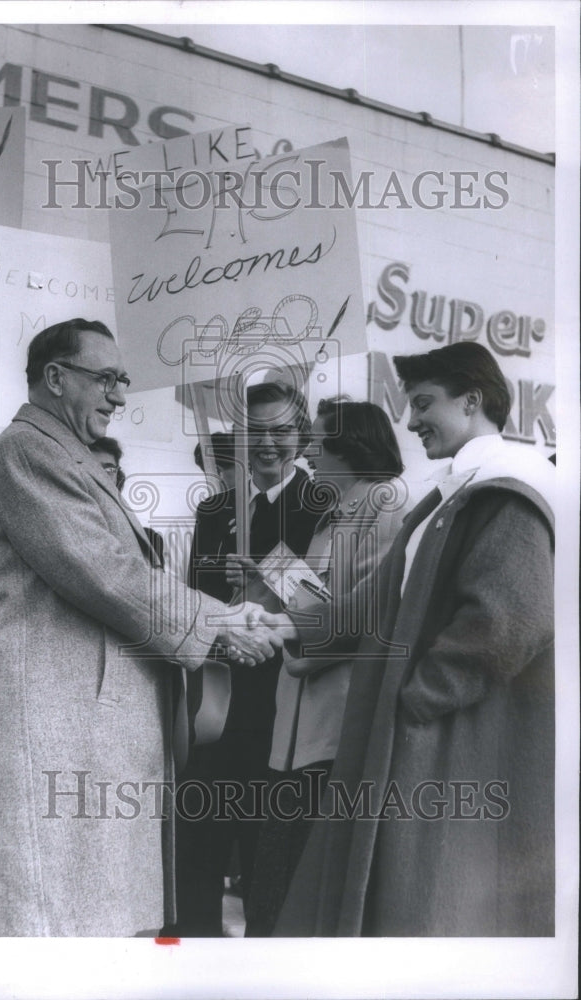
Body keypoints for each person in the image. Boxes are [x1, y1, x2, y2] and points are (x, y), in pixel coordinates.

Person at [0, 317, 281, 937]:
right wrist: (221, 619)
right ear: (55, 378)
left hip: (115, 716)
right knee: (53, 919)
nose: (121, 394)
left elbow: (121, 574)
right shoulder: (30, 451)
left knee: (85, 913)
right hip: (69, 724)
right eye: (106, 378)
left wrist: (229, 616)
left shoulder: (61, 453)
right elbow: (105, 572)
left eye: (122, 379)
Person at [264, 342, 555, 936]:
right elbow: (374, 604)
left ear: (472, 400)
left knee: (431, 913)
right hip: (421, 741)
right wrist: (282, 623)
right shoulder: (448, 492)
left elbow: (508, 623)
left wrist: (413, 702)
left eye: (424, 403)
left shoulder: (507, 485)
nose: (411, 420)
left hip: (452, 745)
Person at [244, 398, 412, 936]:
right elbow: (321, 603)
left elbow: (366, 615)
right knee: (272, 891)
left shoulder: (385, 506)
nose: (309, 452)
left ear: (350, 444)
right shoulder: (330, 520)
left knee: (299, 898)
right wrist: (269, 578)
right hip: (294, 738)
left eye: (317, 441)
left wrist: (283, 599)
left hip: (335, 731)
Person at [167, 381, 327, 937]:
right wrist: (223, 627)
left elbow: (328, 605)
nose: (268, 444)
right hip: (215, 707)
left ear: (302, 437)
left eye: (281, 431)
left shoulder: (324, 502)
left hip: (286, 714)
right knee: (197, 858)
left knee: (267, 867)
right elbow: (192, 600)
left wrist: (265, 574)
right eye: (255, 431)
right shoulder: (214, 510)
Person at [89, 436, 164, 564]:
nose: (101, 476)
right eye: (93, 468)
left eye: (109, 469)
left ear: (118, 477)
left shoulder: (149, 539)